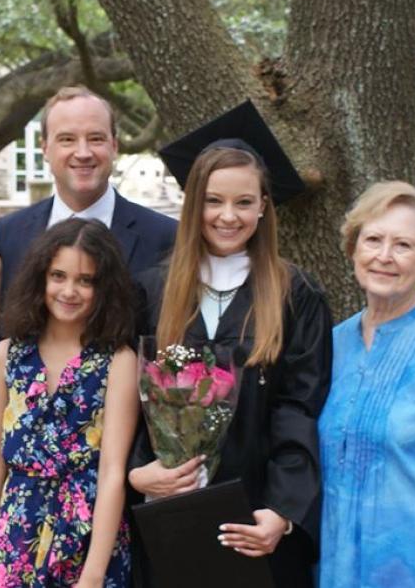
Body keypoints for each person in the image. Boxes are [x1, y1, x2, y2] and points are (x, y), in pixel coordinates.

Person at [129, 101, 332, 586]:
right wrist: (139, 472)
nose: (228, 216)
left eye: (244, 202)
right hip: (168, 508)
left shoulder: (294, 293)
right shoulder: (151, 289)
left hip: (255, 510)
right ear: (193, 203)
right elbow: (126, 403)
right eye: (214, 200)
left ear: (264, 205)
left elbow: (298, 408)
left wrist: (282, 512)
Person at [0, 218, 139, 587]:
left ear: (104, 288)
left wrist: (94, 575)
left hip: (86, 535)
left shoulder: (117, 361)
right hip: (17, 532)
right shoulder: (6, 356)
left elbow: (112, 472)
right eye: (58, 275)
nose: (69, 290)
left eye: (86, 280)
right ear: (40, 278)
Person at [319, 181, 415, 587]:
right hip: (335, 569)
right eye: (373, 239)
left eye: (403, 245)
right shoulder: (331, 345)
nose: (384, 256)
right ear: (353, 249)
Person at [0, 85, 177, 300]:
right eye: (67, 139)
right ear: (45, 149)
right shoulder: (10, 234)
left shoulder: (164, 237)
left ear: (114, 146)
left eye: (96, 138)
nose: (83, 153)